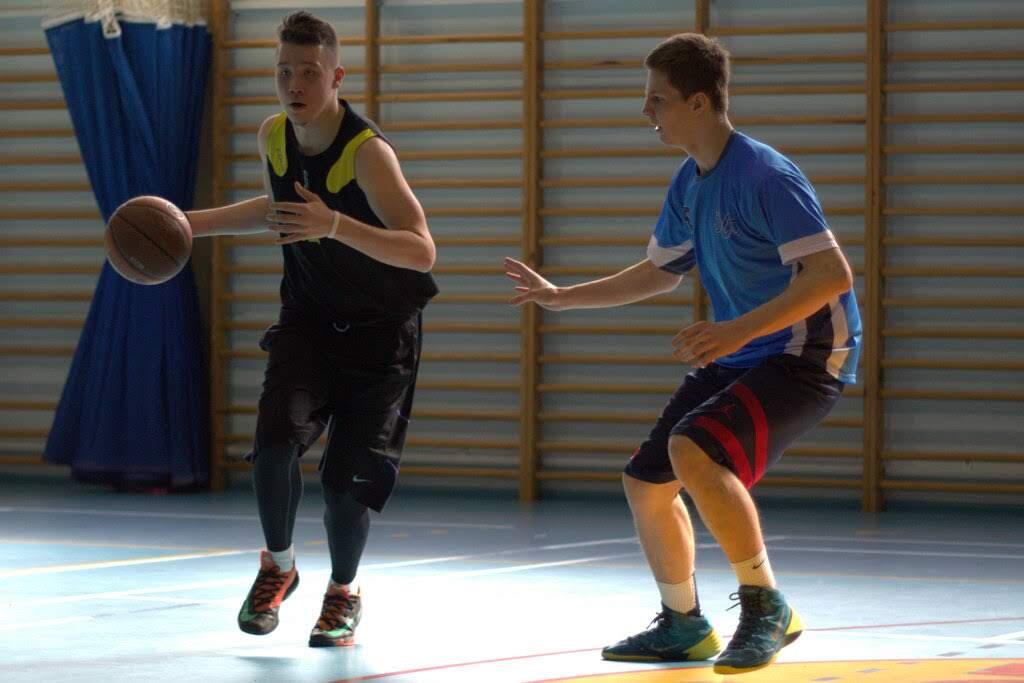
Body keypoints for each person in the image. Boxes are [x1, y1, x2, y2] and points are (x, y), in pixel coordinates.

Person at [505, 33, 861, 675]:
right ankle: (684, 623)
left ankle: (767, 606)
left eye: (657, 99)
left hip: (808, 351)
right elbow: (659, 272)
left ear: (699, 102)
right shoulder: (690, 181)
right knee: (646, 482)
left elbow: (832, 276)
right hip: (745, 350)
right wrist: (562, 297)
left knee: (694, 449)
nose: (646, 111)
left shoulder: (766, 175)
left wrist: (736, 331)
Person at [186, 11, 438, 647]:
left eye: (308, 72)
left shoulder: (366, 153)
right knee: (274, 447)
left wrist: (335, 226)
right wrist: (187, 223)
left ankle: (343, 593)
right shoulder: (274, 136)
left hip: (382, 338)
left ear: (336, 77)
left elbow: (421, 249)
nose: (294, 84)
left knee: (345, 491)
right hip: (307, 324)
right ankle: (279, 566)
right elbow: (277, 211)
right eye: (283, 72)